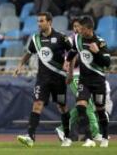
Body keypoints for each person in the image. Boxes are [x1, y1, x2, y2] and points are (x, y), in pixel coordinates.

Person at [14, 12, 72, 147]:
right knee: (37, 104)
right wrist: (20, 65)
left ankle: (68, 137)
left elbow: (73, 51)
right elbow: (28, 53)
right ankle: (30, 137)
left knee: (62, 107)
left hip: (59, 78)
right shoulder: (36, 39)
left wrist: (68, 64)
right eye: (38, 21)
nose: (39, 24)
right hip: (42, 79)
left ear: (49, 22)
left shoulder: (61, 37)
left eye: (41, 21)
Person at [55, 17, 113, 142]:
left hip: (91, 76)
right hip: (78, 75)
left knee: (89, 105)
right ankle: (94, 133)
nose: (78, 29)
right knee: (85, 104)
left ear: (87, 28)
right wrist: (69, 71)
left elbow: (105, 61)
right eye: (76, 27)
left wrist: (97, 53)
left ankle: (67, 129)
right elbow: (71, 55)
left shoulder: (95, 41)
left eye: (79, 27)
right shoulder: (73, 38)